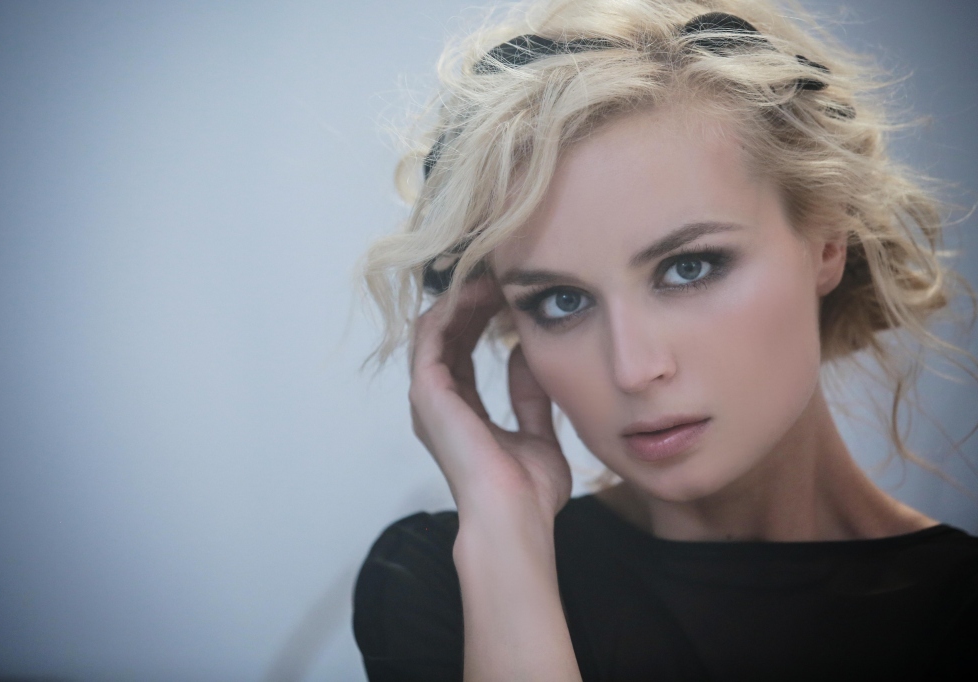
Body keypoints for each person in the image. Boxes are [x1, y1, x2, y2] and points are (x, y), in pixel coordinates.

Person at [352, 1, 978, 680]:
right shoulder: (450, 583)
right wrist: (506, 543)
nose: (633, 369)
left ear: (827, 239)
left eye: (688, 267)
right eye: (561, 301)